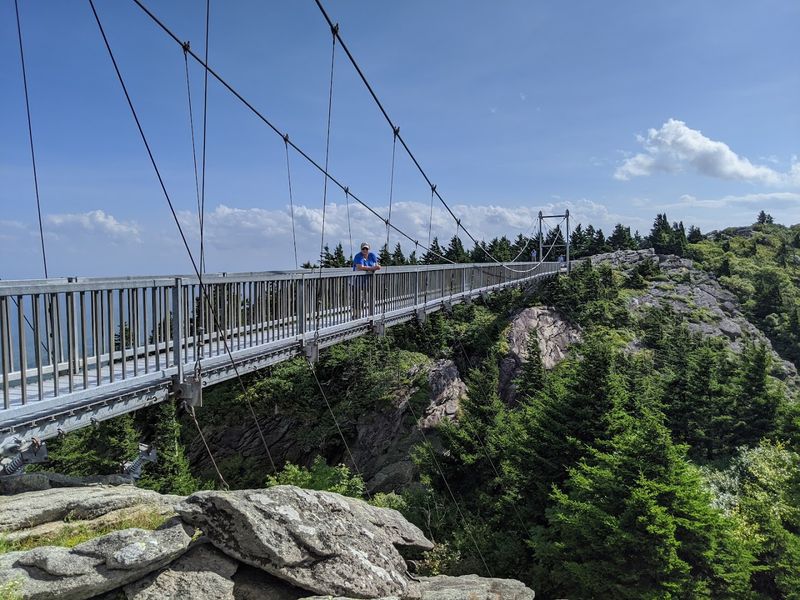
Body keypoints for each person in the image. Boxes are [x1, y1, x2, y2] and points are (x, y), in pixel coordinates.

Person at [351, 242, 380, 318]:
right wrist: (372, 268)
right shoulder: (358, 256)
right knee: (357, 298)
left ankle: (371, 314)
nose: (365, 250)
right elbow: (360, 267)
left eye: (366, 248)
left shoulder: (372, 255)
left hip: (368, 280)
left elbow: (376, 265)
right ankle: (356, 315)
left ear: (369, 249)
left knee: (369, 297)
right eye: (363, 248)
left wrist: (376, 267)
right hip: (357, 280)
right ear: (361, 249)